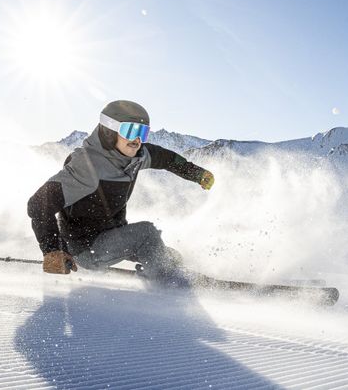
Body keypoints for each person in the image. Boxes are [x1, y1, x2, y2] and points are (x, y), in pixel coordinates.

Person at [26, 100, 214, 281]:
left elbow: (165, 158)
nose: (137, 140)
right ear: (109, 131)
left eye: (143, 132)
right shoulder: (87, 165)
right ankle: (170, 281)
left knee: (172, 257)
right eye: (130, 131)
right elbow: (38, 205)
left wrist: (196, 173)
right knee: (147, 234)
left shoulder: (136, 155)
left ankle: (161, 272)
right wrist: (52, 250)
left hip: (112, 236)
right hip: (85, 248)